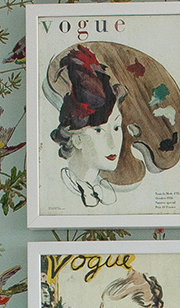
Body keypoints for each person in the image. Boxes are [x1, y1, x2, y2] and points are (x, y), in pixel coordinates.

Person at [49, 46, 125, 208]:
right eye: (98, 130)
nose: (113, 144)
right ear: (77, 139)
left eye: (117, 128)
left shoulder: (103, 190)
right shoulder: (58, 189)